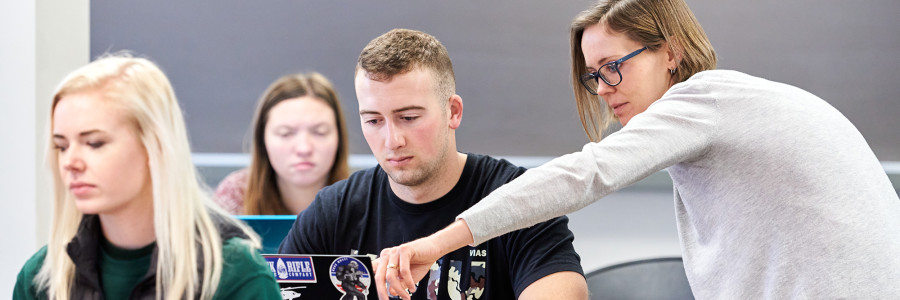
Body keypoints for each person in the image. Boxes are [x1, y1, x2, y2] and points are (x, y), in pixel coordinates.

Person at [375, 0, 900, 299]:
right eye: (591, 75)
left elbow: (584, 174)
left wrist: (435, 245)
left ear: (670, 53)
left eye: (614, 66)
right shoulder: (725, 112)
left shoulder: (704, 99)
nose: (602, 88)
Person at [279, 29, 588, 300]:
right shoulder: (334, 211)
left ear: (452, 112)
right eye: (373, 120)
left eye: (409, 118)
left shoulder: (521, 199)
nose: (392, 140)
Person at [13, 54, 281, 299]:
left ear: (155, 146)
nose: (70, 162)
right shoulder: (41, 278)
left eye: (94, 143)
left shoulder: (235, 276)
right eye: (61, 146)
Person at [213, 72, 350, 215]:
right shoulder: (235, 195)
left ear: (339, 138)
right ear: (262, 141)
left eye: (320, 132)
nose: (304, 148)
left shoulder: (365, 198)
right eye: (285, 133)